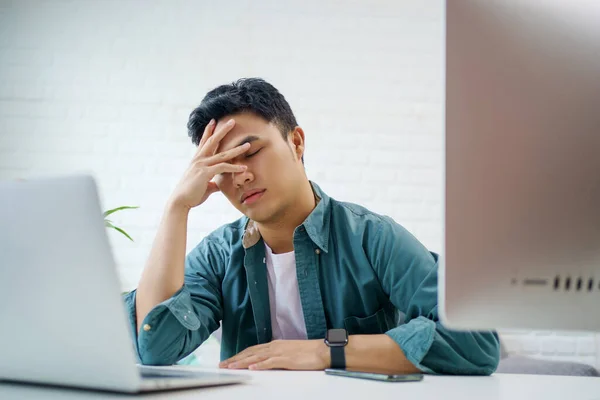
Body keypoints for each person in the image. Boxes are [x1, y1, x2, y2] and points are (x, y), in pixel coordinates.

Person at [123, 78, 500, 375]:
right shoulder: (219, 255)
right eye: (222, 166)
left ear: (296, 142)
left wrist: (324, 351)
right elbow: (156, 347)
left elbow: (477, 341)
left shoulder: (371, 237)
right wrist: (177, 207)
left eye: (250, 152)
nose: (239, 177)